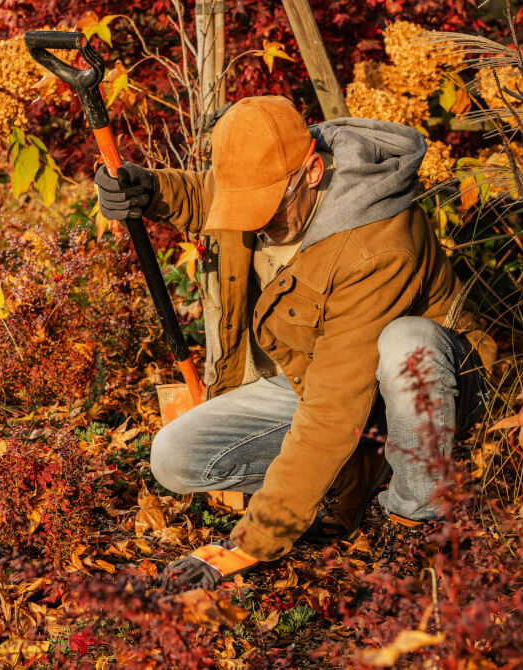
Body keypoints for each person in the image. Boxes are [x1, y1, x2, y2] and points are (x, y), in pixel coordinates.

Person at [94, 96, 494, 589]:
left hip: (421, 389)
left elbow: (331, 412)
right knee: (174, 457)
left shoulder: (378, 244)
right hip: (308, 377)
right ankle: (359, 466)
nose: (255, 222)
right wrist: (150, 188)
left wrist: (248, 545)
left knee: (407, 343)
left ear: (312, 171)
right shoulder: (264, 164)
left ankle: (416, 518)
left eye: (266, 208)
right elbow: (208, 195)